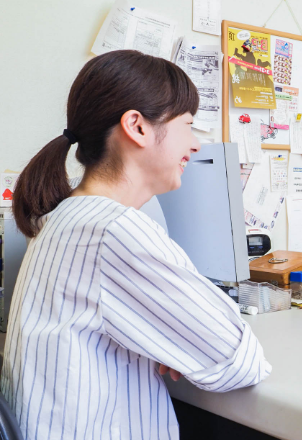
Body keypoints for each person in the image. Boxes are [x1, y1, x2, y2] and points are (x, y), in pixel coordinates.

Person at [0, 50, 271, 440]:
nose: (195, 145)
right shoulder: (114, 231)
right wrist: (187, 345)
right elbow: (238, 359)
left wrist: (173, 342)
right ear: (137, 127)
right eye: (189, 125)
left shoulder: (64, 219)